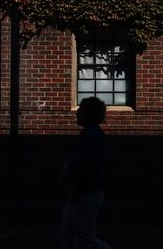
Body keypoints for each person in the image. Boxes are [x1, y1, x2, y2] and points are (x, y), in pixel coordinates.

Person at [59, 97, 112, 249]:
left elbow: (79, 164)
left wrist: (64, 179)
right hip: (82, 192)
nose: (77, 113)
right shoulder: (93, 134)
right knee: (67, 236)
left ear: (88, 114)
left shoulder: (91, 136)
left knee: (85, 240)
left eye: (81, 110)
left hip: (85, 193)